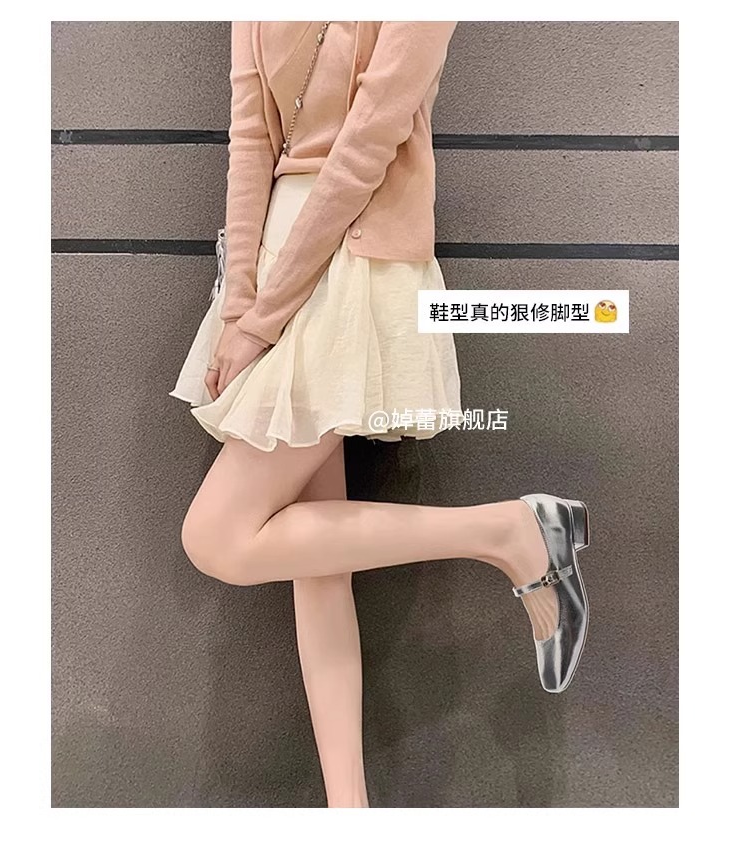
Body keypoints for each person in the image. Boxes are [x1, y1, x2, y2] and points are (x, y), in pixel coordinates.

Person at [169, 21, 590, 809]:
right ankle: (349, 810)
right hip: (272, 273)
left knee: (216, 537)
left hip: (353, 264)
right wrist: (238, 305)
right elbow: (250, 137)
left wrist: (263, 316)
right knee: (316, 570)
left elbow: (367, 145)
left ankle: (509, 531)